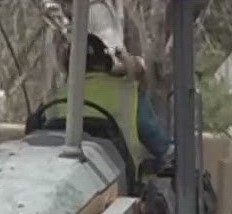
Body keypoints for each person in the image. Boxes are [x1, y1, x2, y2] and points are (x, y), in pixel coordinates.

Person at [60, 33, 173, 170]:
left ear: (68, 66)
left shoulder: (53, 98)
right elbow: (159, 144)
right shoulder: (130, 93)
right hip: (120, 182)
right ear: (107, 62)